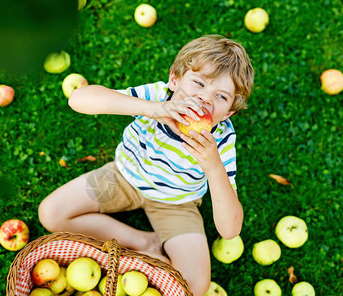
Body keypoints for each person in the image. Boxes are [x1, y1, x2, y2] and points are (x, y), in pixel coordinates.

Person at [38, 34, 254, 295]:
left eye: (221, 97)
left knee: (195, 288)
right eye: (198, 83)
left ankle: (149, 244)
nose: (205, 99)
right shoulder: (158, 96)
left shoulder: (220, 139)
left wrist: (214, 167)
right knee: (51, 213)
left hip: (177, 203)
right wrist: (152, 109)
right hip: (123, 177)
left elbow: (230, 229)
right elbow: (78, 99)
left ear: (229, 112)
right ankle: (143, 242)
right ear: (174, 79)